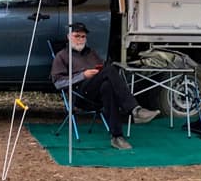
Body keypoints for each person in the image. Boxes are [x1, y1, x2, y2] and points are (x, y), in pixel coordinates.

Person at [50, 22, 159, 150]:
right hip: (79, 94)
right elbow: (58, 83)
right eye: (77, 36)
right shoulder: (62, 56)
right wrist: (83, 75)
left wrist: (98, 72)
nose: (80, 39)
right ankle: (134, 109)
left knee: (107, 86)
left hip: (97, 93)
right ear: (69, 36)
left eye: (83, 36)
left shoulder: (91, 53)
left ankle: (117, 137)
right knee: (109, 70)